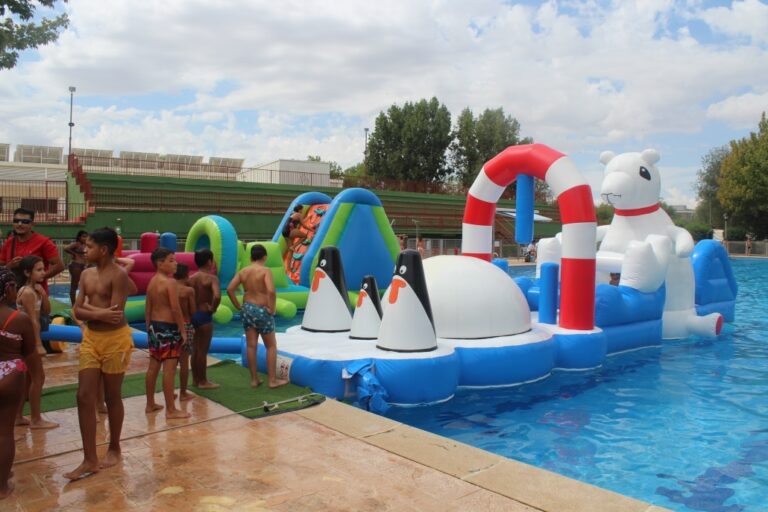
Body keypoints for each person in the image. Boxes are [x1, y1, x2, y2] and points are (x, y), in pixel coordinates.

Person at [65, 227, 135, 481]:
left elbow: (115, 314)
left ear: (103, 250)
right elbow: (77, 311)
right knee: (84, 396)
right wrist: (97, 314)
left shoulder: (118, 276)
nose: (85, 249)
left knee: (112, 395)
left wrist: (90, 311)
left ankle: (114, 446)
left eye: (90, 246)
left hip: (116, 339)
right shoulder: (85, 275)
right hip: (92, 338)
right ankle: (89, 459)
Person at [227, 244, 288, 389]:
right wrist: (272, 309)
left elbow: (230, 289)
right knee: (271, 346)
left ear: (250, 257)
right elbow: (271, 291)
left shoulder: (243, 271)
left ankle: (254, 379)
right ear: (265, 257)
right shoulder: (265, 271)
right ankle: (272, 381)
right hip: (262, 309)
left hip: (247, 308)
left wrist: (238, 306)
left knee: (251, 345)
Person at [0, 267, 36, 499]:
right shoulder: (19, 319)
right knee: (4, 432)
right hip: (10, 373)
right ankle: (2, 486)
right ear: (9, 288)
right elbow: (29, 351)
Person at [144, 248, 189, 419]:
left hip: (155, 328)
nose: (175, 263)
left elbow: (147, 308)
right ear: (160, 263)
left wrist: (149, 329)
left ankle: (150, 404)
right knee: (169, 370)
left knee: (153, 366)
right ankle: (171, 410)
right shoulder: (170, 283)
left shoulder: (152, 282)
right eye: (171, 260)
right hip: (168, 329)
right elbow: (175, 309)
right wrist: (183, 331)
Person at [14, 256, 58, 430]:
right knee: (39, 378)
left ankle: (18, 416)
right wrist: (38, 344)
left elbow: (47, 311)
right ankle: (36, 419)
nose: (43, 273)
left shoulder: (36, 290)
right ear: (27, 273)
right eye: (38, 270)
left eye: (43, 269)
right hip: (29, 340)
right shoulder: (26, 292)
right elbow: (33, 320)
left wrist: (44, 294)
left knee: (28, 379)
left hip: (30, 339)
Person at [0, 208, 64, 294]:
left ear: (32, 224)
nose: (19, 224)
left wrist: (39, 277)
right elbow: (2, 266)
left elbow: (59, 266)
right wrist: (10, 265)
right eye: (16, 221)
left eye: (25, 221)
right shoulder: (9, 243)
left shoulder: (44, 242)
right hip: (12, 296)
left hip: (36, 296)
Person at [189, 249, 220, 389]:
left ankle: (195, 380)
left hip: (193, 314)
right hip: (204, 315)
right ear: (209, 261)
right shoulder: (211, 278)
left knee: (195, 349)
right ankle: (203, 381)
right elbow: (217, 296)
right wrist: (213, 308)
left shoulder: (192, 278)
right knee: (202, 350)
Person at [174, 264, 196, 402]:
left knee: (169, 363)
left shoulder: (168, 287)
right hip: (186, 325)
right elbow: (193, 311)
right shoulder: (188, 291)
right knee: (183, 362)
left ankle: (169, 392)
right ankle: (183, 393)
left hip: (170, 326)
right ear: (186, 274)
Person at [64, 230, 88, 305]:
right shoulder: (77, 244)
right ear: (79, 237)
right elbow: (66, 248)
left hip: (84, 266)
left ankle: (84, 303)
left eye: (86, 236)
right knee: (74, 284)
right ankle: (73, 304)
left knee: (86, 284)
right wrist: (74, 254)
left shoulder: (87, 245)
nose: (85, 238)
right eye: (83, 236)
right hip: (76, 265)